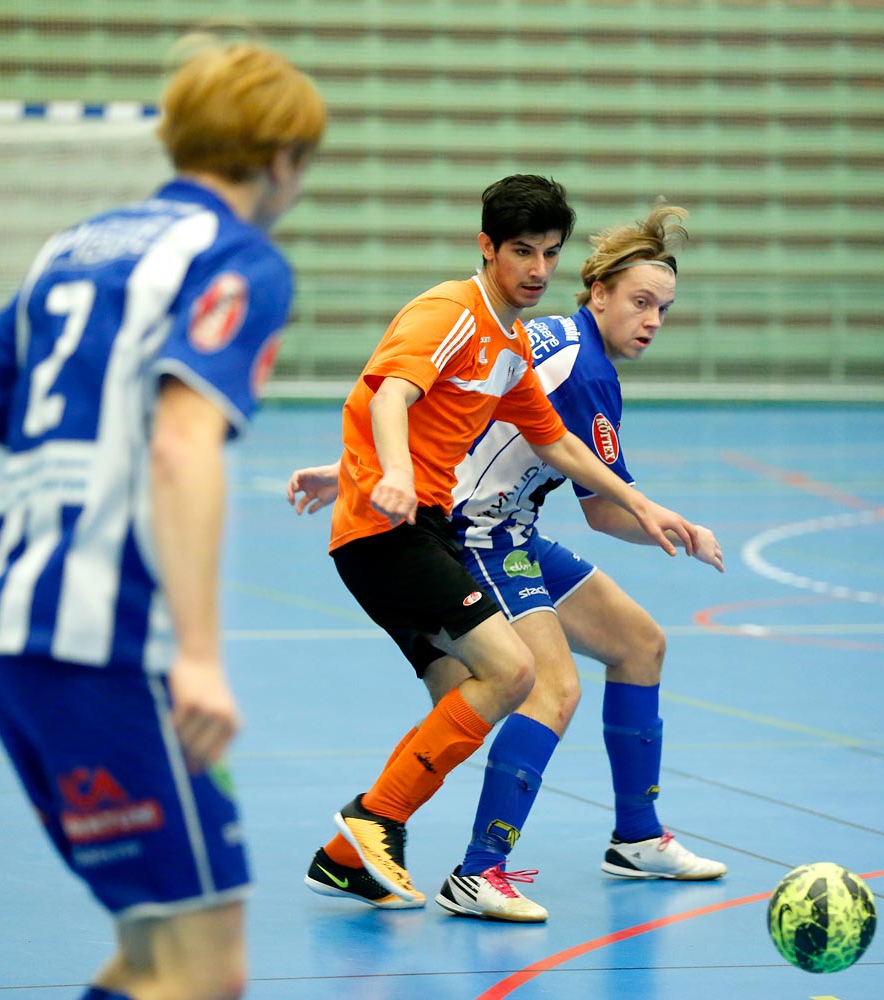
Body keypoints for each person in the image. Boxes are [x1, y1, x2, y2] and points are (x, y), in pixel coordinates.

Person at [0, 42, 324, 1000]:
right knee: (206, 972)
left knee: (151, 955)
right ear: (286, 159)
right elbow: (182, 446)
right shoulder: (238, 259)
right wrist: (203, 657)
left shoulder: (71, 251)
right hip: (108, 648)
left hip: (8, 637)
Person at [292, 204, 728, 922]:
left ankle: (637, 838)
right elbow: (598, 507)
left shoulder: (536, 340)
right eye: (640, 302)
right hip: (474, 533)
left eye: (664, 309)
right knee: (546, 688)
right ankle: (479, 872)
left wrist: (346, 471)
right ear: (598, 295)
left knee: (640, 643)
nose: (652, 320)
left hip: (511, 528)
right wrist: (659, 520)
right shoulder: (577, 367)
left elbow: (461, 414)